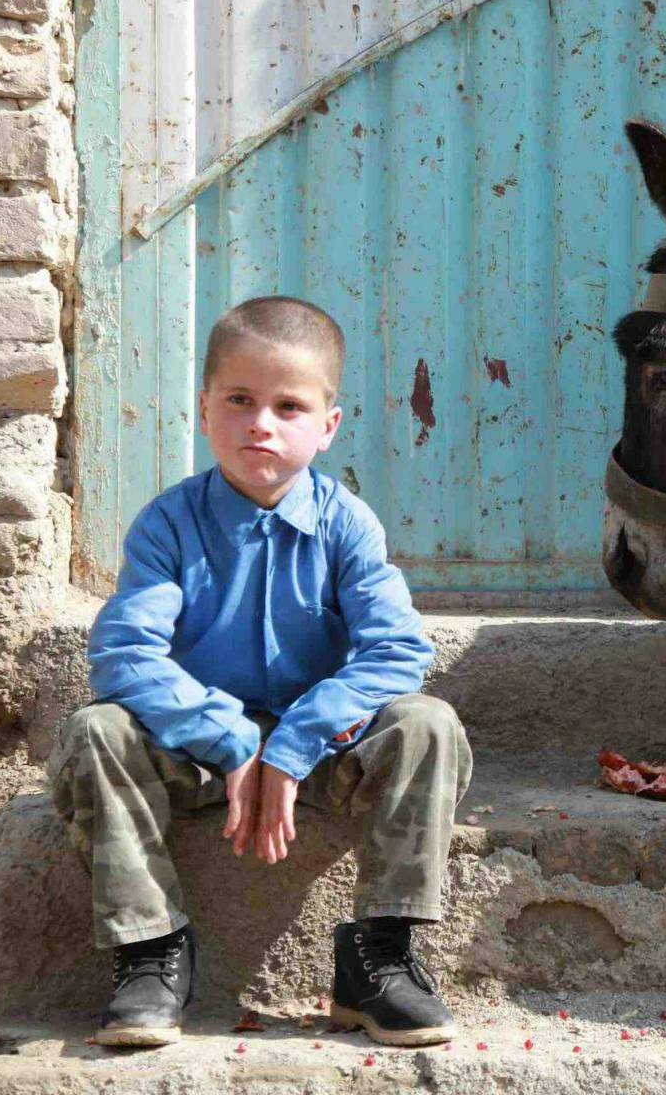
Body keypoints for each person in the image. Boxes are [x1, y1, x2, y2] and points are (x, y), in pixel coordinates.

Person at [48, 296, 470, 1048]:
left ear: (328, 425)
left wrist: (295, 740)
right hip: (199, 757)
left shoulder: (347, 525)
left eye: (288, 405)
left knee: (427, 724)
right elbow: (123, 654)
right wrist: (232, 739)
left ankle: (379, 956)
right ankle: (152, 952)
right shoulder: (169, 525)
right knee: (95, 731)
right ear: (204, 408)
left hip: (326, 752)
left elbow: (397, 650)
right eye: (239, 400)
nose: (261, 424)